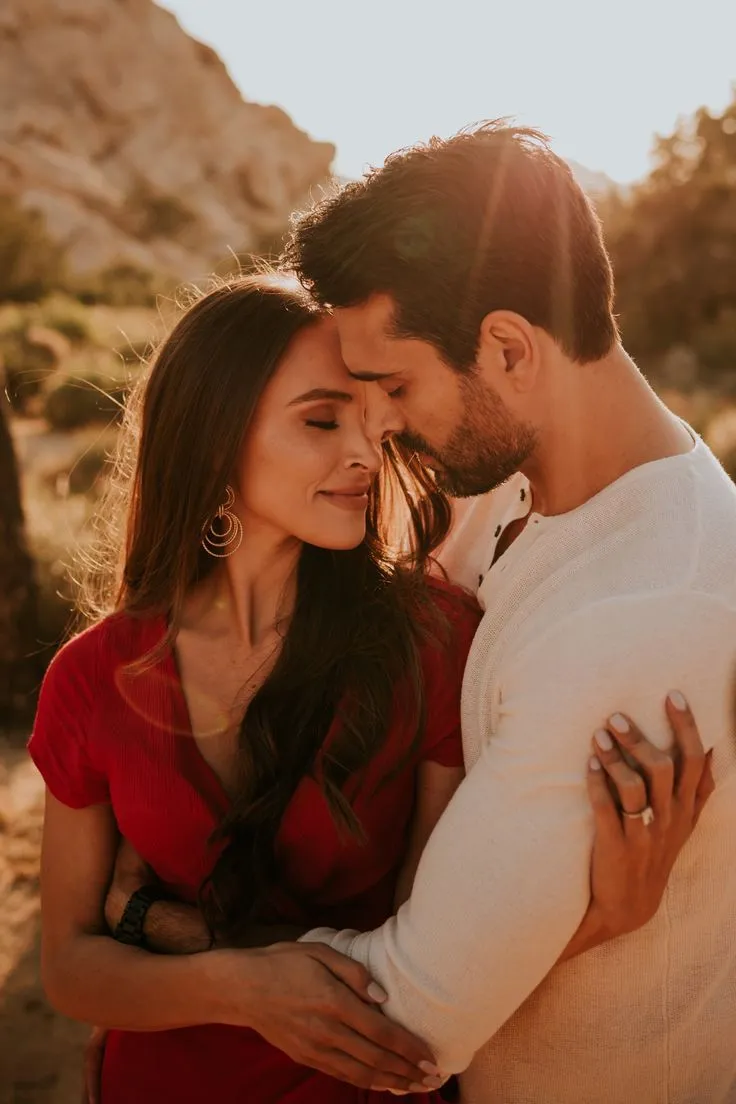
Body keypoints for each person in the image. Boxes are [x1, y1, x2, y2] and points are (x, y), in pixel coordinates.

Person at [30, 276, 708, 1104]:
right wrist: (237, 988)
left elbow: (435, 951)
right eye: (322, 422)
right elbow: (69, 965)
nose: (364, 452)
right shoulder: (91, 678)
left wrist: (603, 917)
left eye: (368, 419)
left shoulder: (430, 644)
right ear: (212, 442)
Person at [273, 121, 736, 1103]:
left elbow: (405, 1016)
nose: (379, 423)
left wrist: (152, 936)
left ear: (509, 347)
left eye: (395, 385)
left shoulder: (641, 613)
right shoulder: (508, 484)